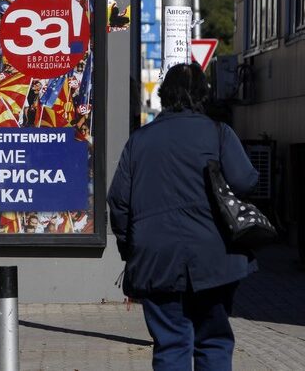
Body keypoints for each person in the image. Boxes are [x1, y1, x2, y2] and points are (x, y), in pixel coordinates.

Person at [107, 63, 259, 371]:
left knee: (171, 342)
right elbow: (246, 181)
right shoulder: (219, 134)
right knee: (213, 338)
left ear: (164, 95)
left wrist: (130, 248)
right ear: (203, 95)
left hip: (155, 257)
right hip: (215, 257)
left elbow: (118, 201)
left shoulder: (139, 141)